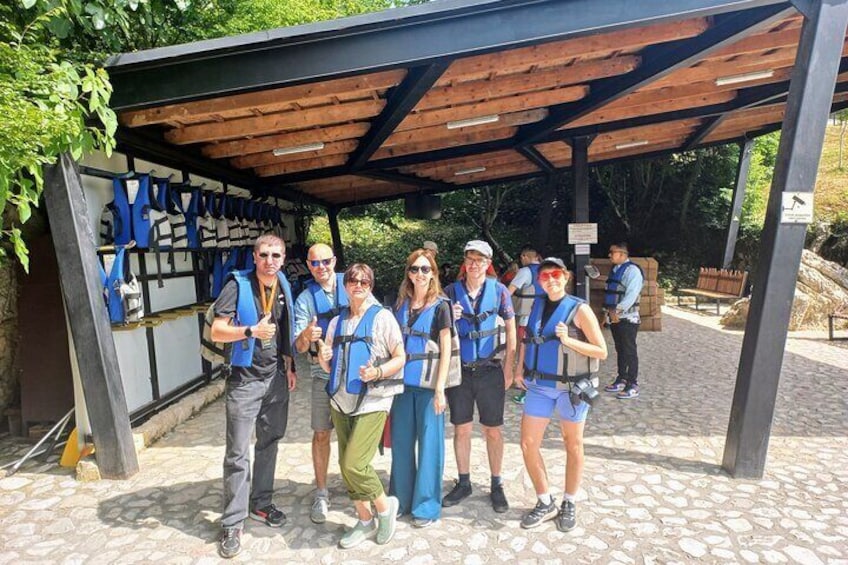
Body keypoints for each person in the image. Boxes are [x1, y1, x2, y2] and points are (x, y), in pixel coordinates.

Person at [210, 234, 297, 559]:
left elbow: (285, 328)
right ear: (254, 256)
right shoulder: (237, 284)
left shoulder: (283, 284)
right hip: (244, 381)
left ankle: (261, 504)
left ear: (283, 258)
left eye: (276, 255)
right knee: (237, 454)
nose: (270, 261)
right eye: (264, 255)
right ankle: (232, 523)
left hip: (274, 378)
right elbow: (217, 330)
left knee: (269, 443)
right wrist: (249, 331)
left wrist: (290, 368)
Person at [513, 257, 607, 532]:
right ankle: (545, 500)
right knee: (528, 444)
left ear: (565, 277)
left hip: (571, 388)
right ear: (540, 281)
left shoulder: (580, 310)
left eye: (556, 274)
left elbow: (602, 351)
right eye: (545, 277)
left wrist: (568, 340)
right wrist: (519, 370)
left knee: (573, 444)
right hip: (540, 385)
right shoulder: (537, 305)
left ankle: (569, 501)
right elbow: (527, 340)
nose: (551, 280)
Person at [318, 263, 406, 549]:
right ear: (345, 286)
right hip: (341, 400)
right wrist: (323, 355)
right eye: (353, 281)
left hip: (373, 400)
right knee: (345, 468)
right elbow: (328, 364)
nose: (358, 286)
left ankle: (384, 508)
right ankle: (364, 519)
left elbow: (400, 356)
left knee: (354, 463)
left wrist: (377, 373)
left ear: (371, 286)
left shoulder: (383, 318)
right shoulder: (336, 322)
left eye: (364, 282)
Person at [443, 240, 516, 513]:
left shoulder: (499, 292)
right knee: (461, 428)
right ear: (464, 262)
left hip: (490, 370)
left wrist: (509, 368)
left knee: (492, 430)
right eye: (470, 259)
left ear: (488, 263)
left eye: (480, 260)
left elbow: (511, 331)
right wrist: (449, 315)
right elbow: (436, 328)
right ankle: (464, 482)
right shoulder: (450, 292)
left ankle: (496, 483)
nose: (474, 265)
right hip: (460, 370)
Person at [389, 249, 454, 528]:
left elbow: (446, 349)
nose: (419, 274)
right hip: (401, 386)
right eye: (415, 269)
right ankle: (400, 499)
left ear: (433, 273)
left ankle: (426, 506)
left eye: (425, 269)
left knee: (430, 446)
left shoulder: (441, 306)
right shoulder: (400, 304)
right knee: (401, 444)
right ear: (408, 273)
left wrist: (440, 389)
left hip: (428, 389)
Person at [293, 243, 347, 524]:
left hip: (352, 373)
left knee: (352, 434)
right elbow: (300, 347)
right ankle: (322, 492)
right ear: (308, 265)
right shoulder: (304, 300)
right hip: (322, 375)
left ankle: (357, 485)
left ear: (334, 261)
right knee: (322, 433)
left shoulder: (353, 283)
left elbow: (376, 319)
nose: (321, 267)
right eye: (315, 263)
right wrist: (306, 334)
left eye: (326, 261)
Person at [602, 243, 644, 400]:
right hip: (615, 317)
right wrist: (609, 314)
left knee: (630, 350)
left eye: (611, 252)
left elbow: (631, 295)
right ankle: (622, 378)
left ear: (621, 254)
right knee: (620, 349)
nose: (609, 255)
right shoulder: (615, 270)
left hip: (628, 317)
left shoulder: (632, 271)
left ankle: (632, 383)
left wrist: (617, 310)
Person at [508, 245, 544, 405]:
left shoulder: (524, 272)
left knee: (524, 352)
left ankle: (525, 388)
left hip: (526, 319)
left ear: (524, 257)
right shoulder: (547, 270)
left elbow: (508, 291)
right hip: (545, 319)